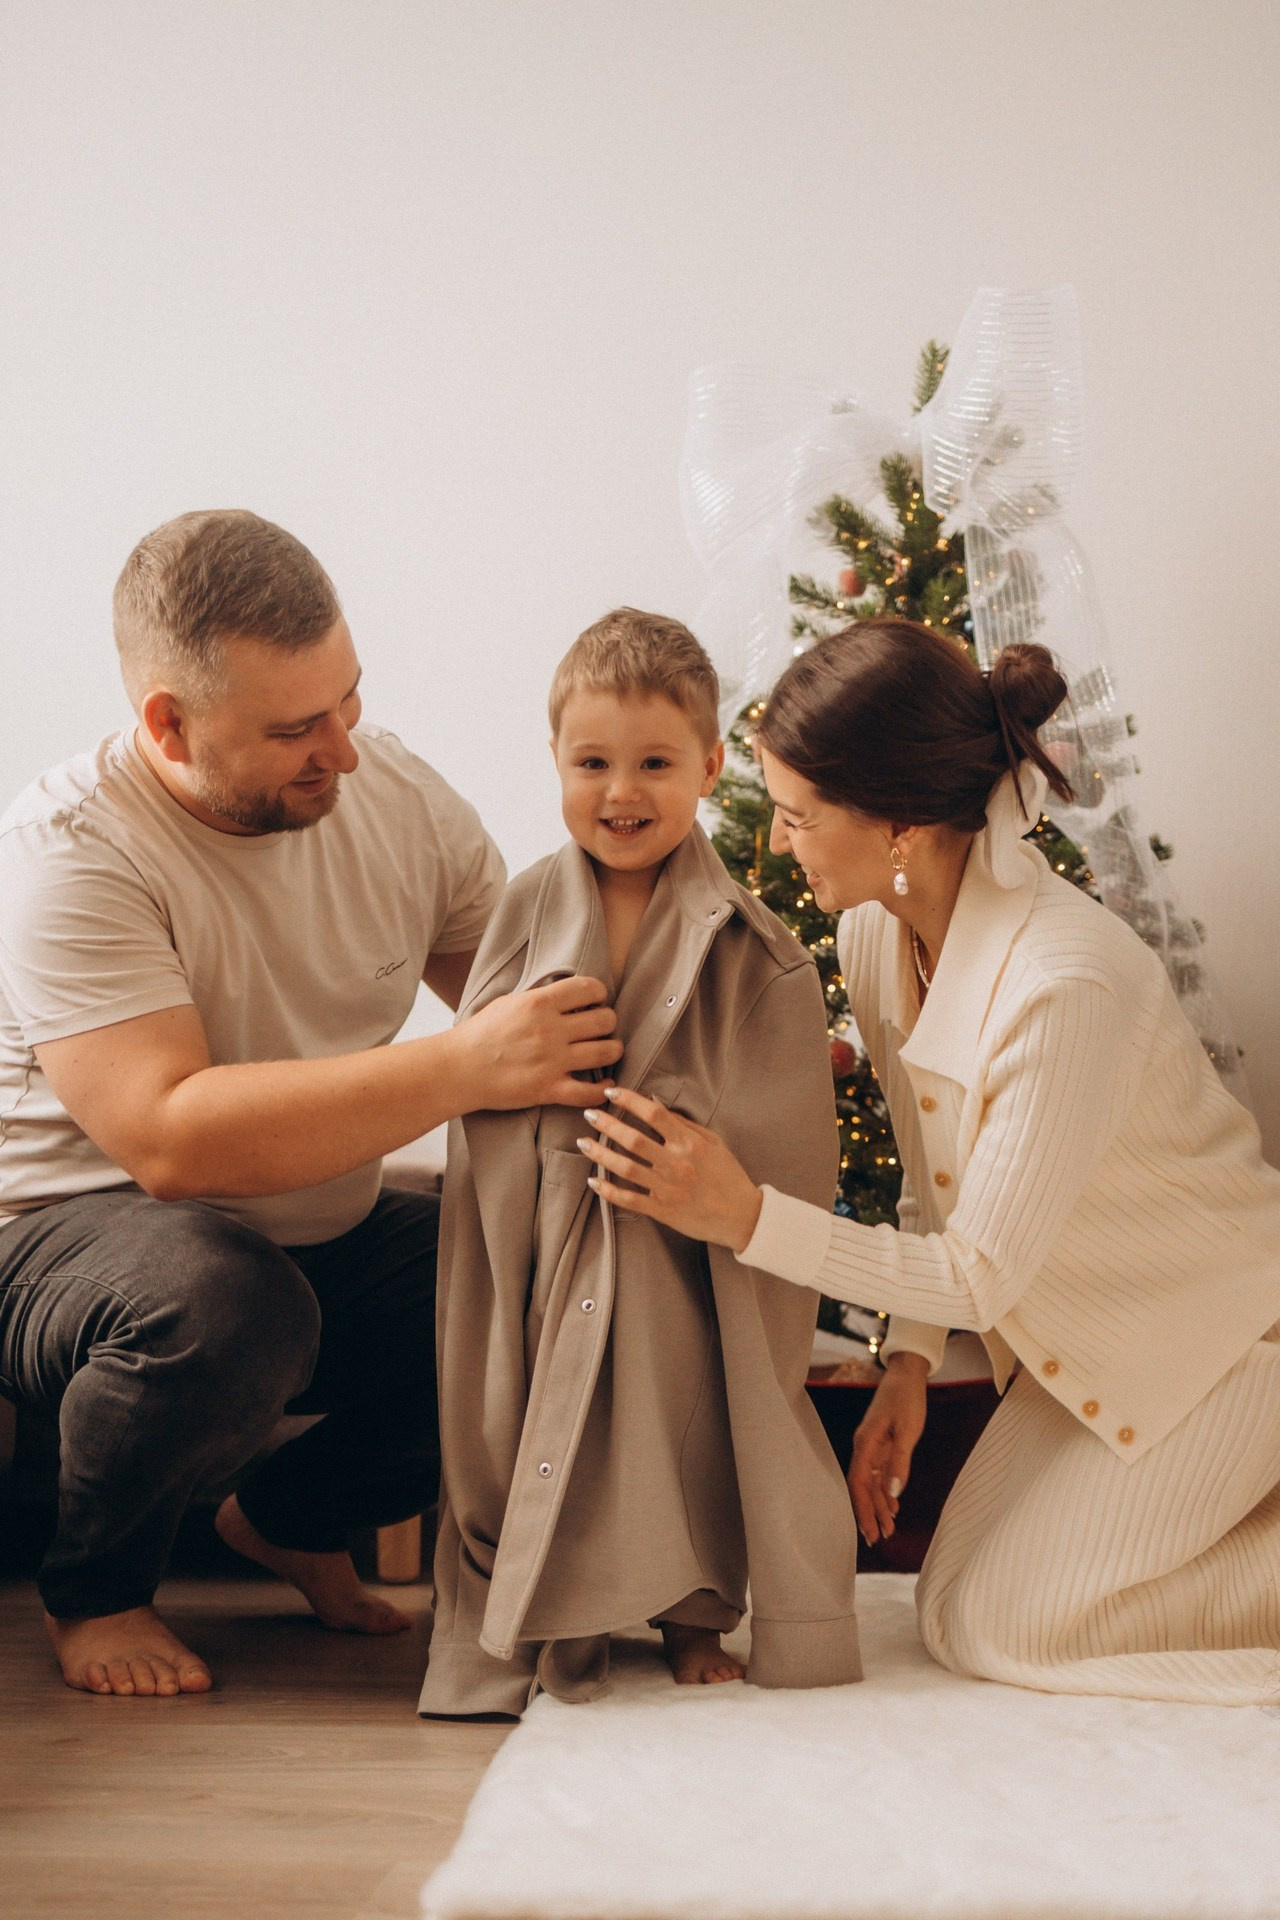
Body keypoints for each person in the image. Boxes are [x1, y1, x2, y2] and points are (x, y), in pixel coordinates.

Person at [579, 617, 1280, 1707]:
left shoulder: (1059, 987)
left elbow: (978, 1275)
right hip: (1099, 1343)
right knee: (953, 1606)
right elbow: (930, 1174)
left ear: (897, 824)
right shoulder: (879, 931)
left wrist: (742, 1214)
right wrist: (903, 1362)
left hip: (1223, 1344)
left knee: (1013, 1630)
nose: (777, 843)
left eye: (800, 816)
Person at [0, 510, 621, 1699]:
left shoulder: (390, 793)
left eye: (346, 701)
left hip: (314, 1228)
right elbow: (169, 1138)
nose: (340, 749)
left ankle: (289, 1515)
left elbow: (537, 992)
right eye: (293, 728)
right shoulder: (68, 853)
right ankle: (97, 1592)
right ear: (167, 726)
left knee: (556, 1266)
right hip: (72, 1236)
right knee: (225, 1292)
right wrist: (462, 1067)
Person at [418, 610, 860, 1716]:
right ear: (556, 761)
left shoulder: (755, 949)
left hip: (680, 1233)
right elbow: (477, 1080)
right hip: (543, 1211)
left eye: (656, 763)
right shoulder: (521, 911)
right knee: (508, 1412)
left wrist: (695, 1146)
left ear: (711, 766)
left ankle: (692, 1608)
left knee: (689, 1404)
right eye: (592, 763)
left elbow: (786, 1139)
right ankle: (522, 1621)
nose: (622, 791)